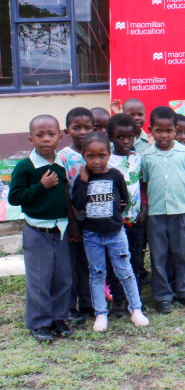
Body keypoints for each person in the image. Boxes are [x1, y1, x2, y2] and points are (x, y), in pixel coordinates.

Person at [72, 132, 149, 332]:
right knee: (97, 273)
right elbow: (78, 205)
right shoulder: (83, 178)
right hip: (92, 236)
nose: (96, 161)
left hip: (116, 233)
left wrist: (114, 218)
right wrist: (82, 179)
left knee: (126, 271)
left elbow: (123, 199)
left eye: (102, 155)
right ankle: (100, 314)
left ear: (108, 154)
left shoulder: (115, 174)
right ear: (83, 155)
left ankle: (136, 309)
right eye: (91, 156)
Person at [8, 115, 76, 342]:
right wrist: (41, 186)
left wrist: (72, 220)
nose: (46, 139)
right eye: (40, 135)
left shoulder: (60, 163)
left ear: (60, 137)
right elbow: (15, 198)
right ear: (31, 139)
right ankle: (40, 323)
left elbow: (65, 194)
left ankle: (58, 318)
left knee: (62, 277)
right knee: (40, 279)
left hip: (61, 230)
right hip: (37, 232)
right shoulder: (25, 167)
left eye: (51, 134)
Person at [142, 106, 185, 313]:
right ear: (151, 130)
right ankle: (163, 296)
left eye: (169, 131)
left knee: (184, 255)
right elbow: (146, 185)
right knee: (159, 257)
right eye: (159, 131)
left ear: (176, 130)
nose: (164, 135)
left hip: (181, 213)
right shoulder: (147, 156)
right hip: (157, 216)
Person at [105, 113, 146, 314]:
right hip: (115, 223)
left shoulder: (138, 158)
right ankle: (119, 300)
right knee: (116, 261)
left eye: (129, 137)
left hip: (136, 220)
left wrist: (144, 208)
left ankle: (135, 299)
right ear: (111, 137)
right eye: (120, 137)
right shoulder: (107, 160)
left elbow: (143, 184)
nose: (125, 141)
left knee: (136, 261)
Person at [59, 107, 95, 322]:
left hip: (94, 219)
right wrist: (72, 221)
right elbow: (63, 192)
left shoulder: (97, 151)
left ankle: (89, 303)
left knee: (89, 263)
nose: (82, 132)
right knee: (71, 264)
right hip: (72, 220)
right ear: (67, 131)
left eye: (87, 127)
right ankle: (70, 306)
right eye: (76, 127)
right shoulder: (63, 157)